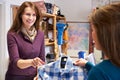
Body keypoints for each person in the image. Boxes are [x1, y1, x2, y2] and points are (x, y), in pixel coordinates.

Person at [74, 3, 120, 80]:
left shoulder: (98, 73)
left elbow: (102, 74)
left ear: (104, 34)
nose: (92, 33)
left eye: (93, 30)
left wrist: (96, 71)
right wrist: (88, 65)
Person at [5, 1, 45, 80]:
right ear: (20, 15)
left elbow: (42, 59)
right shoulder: (12, 34)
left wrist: (39, 75)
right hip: (16, 77)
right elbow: (15, 62)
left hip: (34, 76)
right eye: (27, 14)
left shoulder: (40, 34)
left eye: (34, 15)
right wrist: (32, 62)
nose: (31, 18)